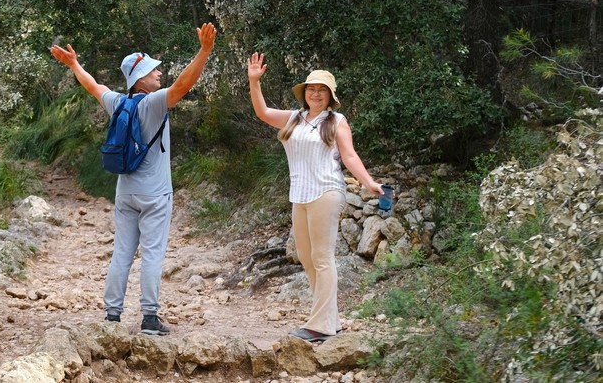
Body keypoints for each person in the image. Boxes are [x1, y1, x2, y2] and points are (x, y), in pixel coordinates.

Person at [50, 23, 218, 336]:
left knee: (122, 254)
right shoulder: (153, 103)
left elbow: (93, 86)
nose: (159, 73)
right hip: (155, 196)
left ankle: (112, 317)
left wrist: (74, 64)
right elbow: (183, 85)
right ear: (139, 77)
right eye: (153, 69)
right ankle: (150, 319)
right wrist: (204, 51)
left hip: (125, 193)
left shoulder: (118, 102)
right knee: (152, 255)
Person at [246, 52, 384, 343]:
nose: (315, 94)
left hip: (326, 192)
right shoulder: (294, 118)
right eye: (311, 89)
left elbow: (349, 155)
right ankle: (330, 321)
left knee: (322, 258)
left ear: (330, 95)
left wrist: (368, 181)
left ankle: (320, 325)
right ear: (304, 93)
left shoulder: (337, 121)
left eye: (321, 90)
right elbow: (262, 112)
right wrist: (254, 81)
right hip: (300, 195)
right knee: (308, 260)